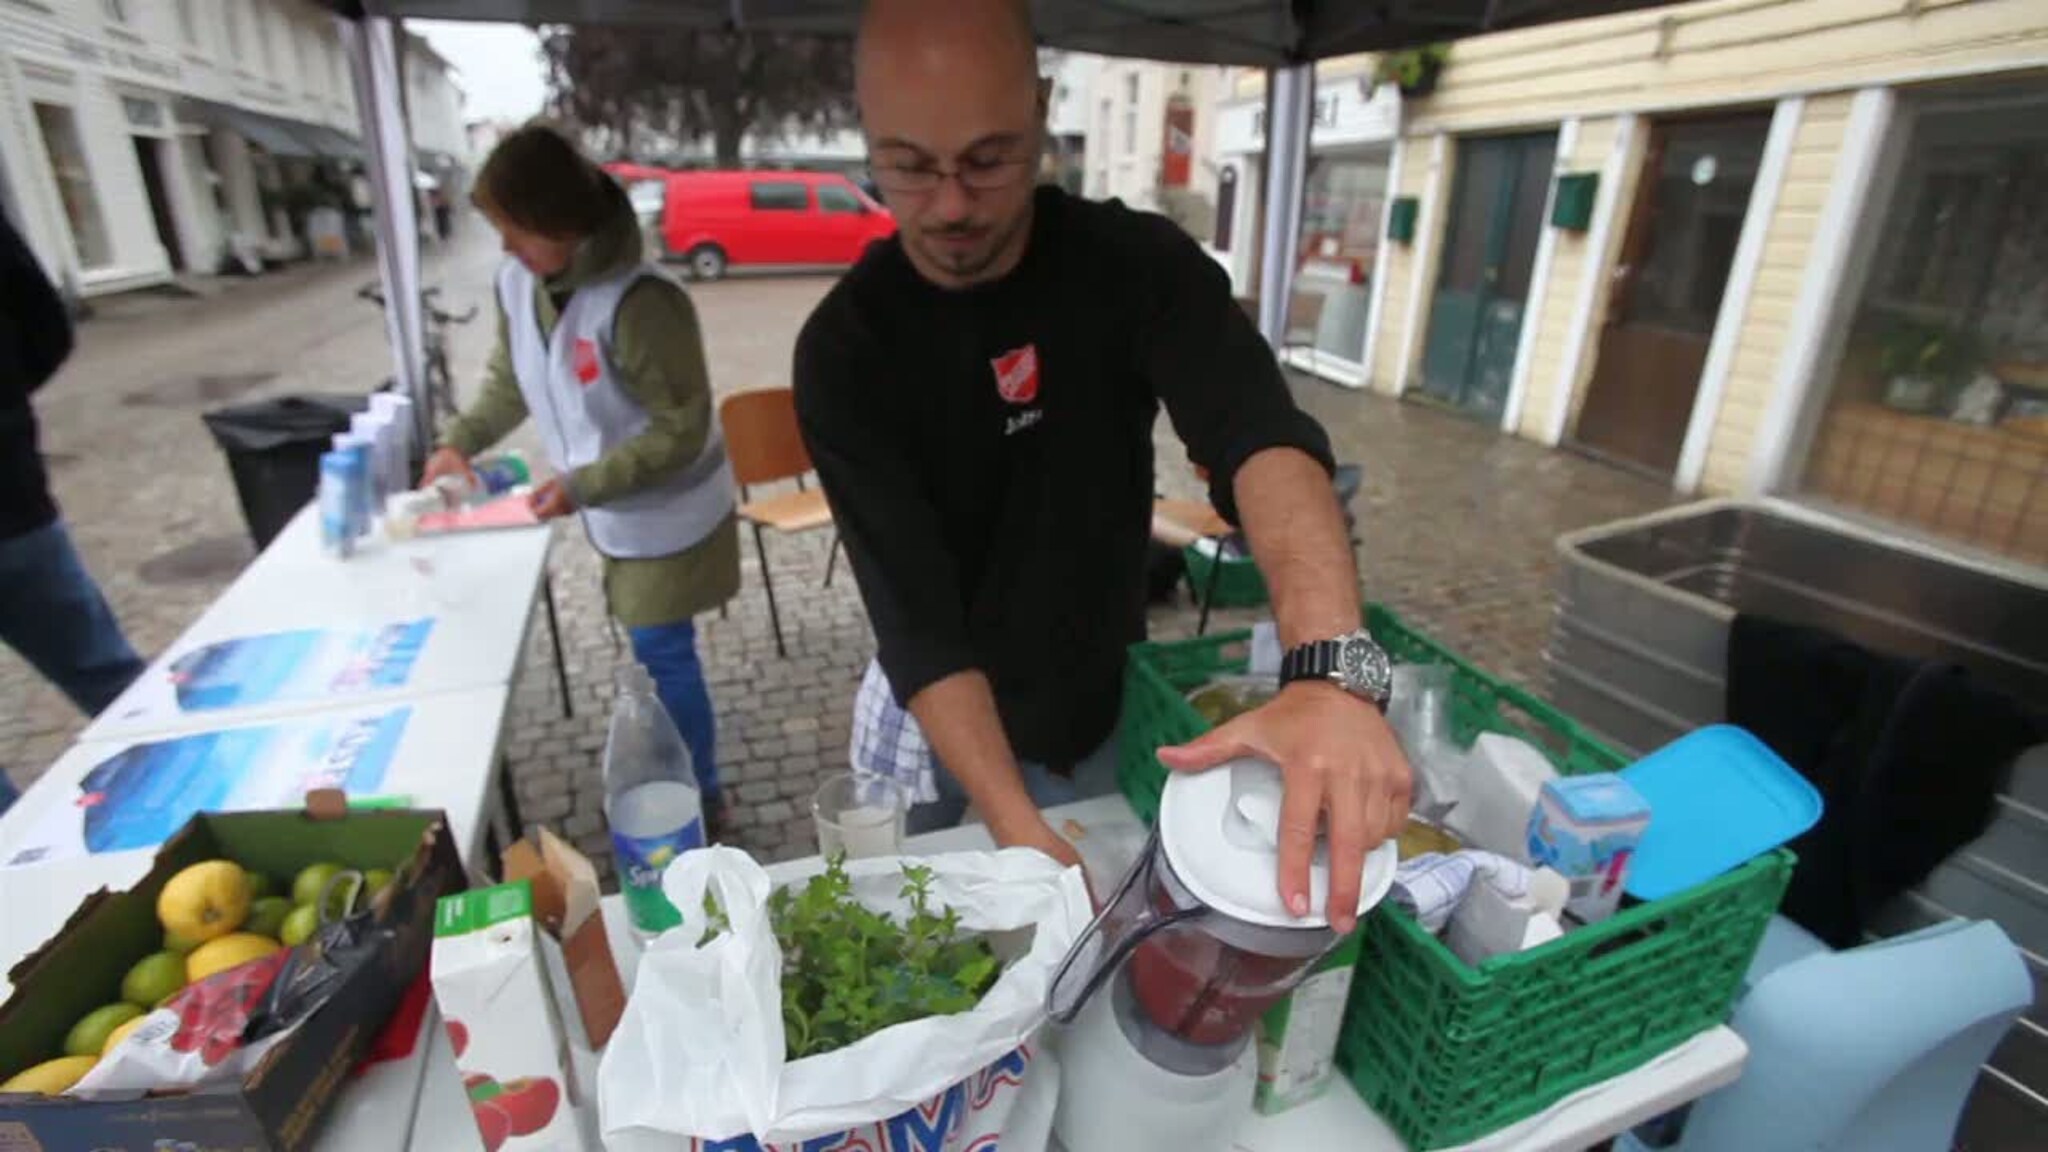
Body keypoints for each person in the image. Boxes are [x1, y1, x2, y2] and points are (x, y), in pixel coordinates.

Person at [795, 0, 1413, 931]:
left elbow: (1260, 435)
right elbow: (916, 622)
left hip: (1099, 696)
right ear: (867, 134)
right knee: (918, 920)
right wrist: (1012, 823)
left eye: (989, 159)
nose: (952, 205)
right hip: (937, 717)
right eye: (910, 167)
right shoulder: (847, 351)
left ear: (1043, 112)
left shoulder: (1134, 265)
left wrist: (1330, 674)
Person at [422, 125, 741, 833]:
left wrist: (581, 485)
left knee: (661, 653)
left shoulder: (644, 303)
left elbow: (680, 428)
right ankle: (693, 781)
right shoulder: (523, 281)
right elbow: (512, 380)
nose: (504, 248)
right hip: (611, 505)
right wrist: (459, 443)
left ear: (560, 221)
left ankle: (705, 794)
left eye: (515, 230)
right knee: (655, 650)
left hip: (670, 510)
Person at [0, 211, 147, 810]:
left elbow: (42, 324)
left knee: (110, 676)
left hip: (14, 509)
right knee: (109, 675)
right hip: (13, 503)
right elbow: (43, 325)